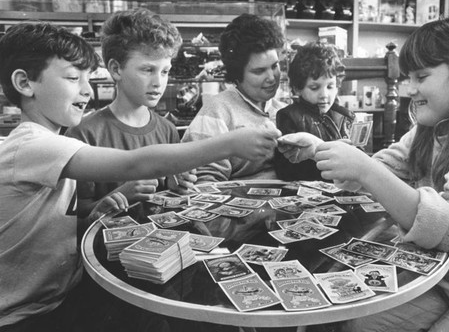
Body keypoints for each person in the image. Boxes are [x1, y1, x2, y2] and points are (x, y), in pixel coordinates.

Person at [0, 22, 280, 331]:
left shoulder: (54, 142)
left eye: (88, 79)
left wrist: (107, 205)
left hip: (61, 297)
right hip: (24, 316)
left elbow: (63, 223)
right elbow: (134, 165)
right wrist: (229, 143)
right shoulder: (31, 144)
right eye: (71, 78)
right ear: (25, 83)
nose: (87, 90)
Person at [278, 5, 449, 331]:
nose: (410, 90)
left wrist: (366, 170)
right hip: (436, 279)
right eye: (409, 78)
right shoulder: (429, 129)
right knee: (358, 323)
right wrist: (319, 150)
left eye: (421, 77)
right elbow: (381, 169)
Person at [66, 8, 194, 220]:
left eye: (165, 71)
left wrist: (176, 185)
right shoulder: (83, 134)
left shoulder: (168, 130)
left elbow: (171, 201)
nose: (159, 82)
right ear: (116, 69)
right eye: (147, 70)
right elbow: (74, 216)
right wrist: (120, 195)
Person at [181, 13, 288, 183]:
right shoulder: (217, 110)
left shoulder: (283, 109)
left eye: (275, 66)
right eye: (259, 71)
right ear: (238, 73)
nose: (272, 77)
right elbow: (205, 181)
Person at [274, 41, 355, 181]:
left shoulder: (344, 116)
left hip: (342, 188)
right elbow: (286, 170)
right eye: (314, 88)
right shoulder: (288, 116)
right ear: (298, 88)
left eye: (330, 86)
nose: (324, 94)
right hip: (306, 191)